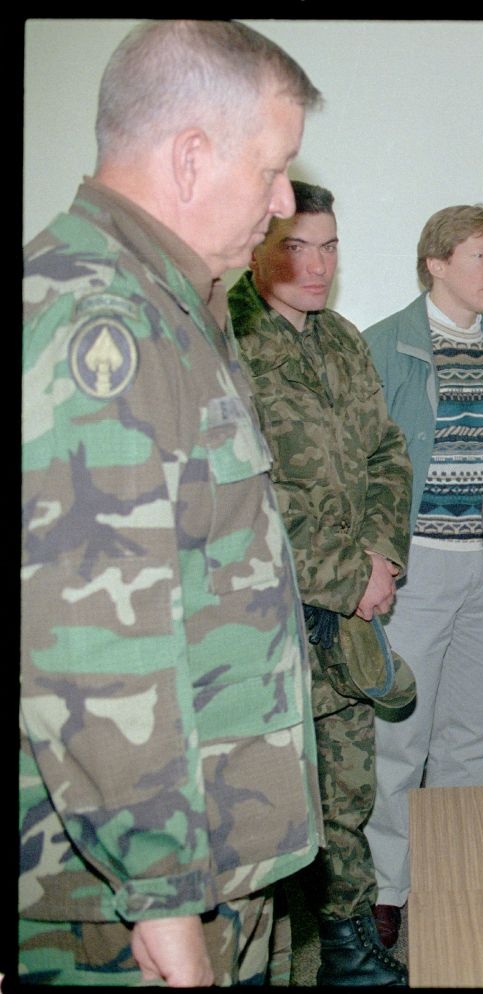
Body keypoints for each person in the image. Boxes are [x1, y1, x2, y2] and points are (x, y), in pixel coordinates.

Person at [20, 19, 322, 986]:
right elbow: (93, 653)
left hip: (211, 844)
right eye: (273, 170)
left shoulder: (172, 304)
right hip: (130, 886)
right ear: (191, 158)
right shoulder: (100, 322)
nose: (282, 203)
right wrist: (164, 894)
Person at [229, 181, 411, 985]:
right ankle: (274, 964)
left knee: (347, 796)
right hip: (263, 628)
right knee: (267, 816)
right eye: (295, 246)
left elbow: (386, 455)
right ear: (259, 245)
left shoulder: (340, 339)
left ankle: (347, 952)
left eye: (329, 247)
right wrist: (350, 576)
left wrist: (379, 559)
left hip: (345, 627)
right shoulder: (227, 335)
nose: (315, 265)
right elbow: (250, 494)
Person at [362, 204, 483, 949]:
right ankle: (389, 884)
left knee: (468, 734)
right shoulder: (387, 346)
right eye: (482, 257)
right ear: (437, 263)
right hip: (418, 565)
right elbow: (366, 465)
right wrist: (377, 556)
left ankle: (451, 873)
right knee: (401, 736)